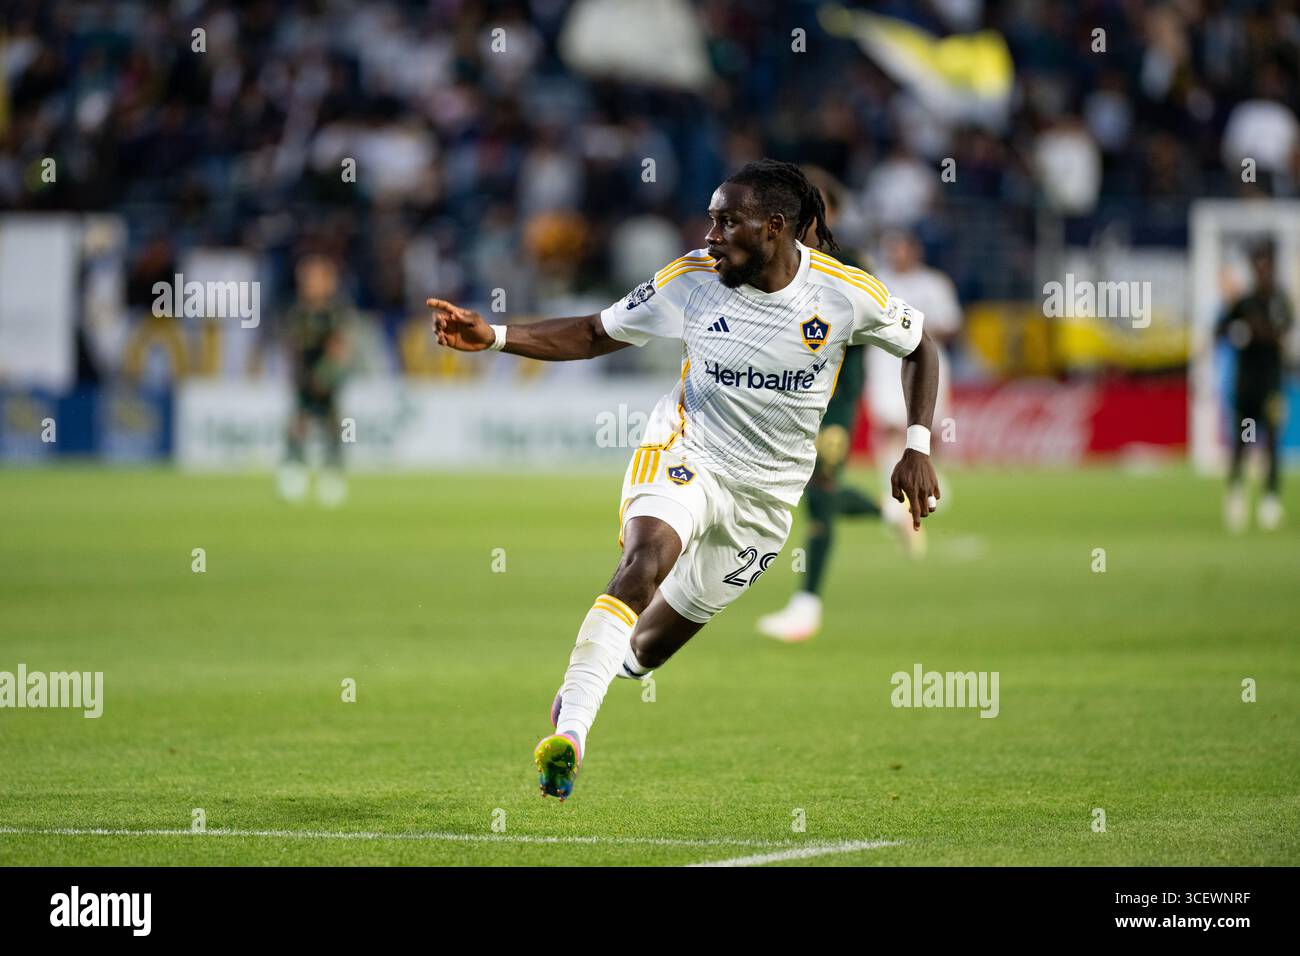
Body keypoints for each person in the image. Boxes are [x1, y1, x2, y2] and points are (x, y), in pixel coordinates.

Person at [429, 159, 941, 800]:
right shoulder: (690, 279)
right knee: (645, 561)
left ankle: (587, 683)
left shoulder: (844, 293)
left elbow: (921, 346)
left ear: (775, 228)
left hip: (767, 498)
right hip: (686, 448)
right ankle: (574, 736)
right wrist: (496, 336)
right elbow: (594, 332)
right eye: (710, 219)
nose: (710, 235)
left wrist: (917, 444)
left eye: (727, 222)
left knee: (646, 651)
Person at [756, 168, 883, 644]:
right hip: (779, 400)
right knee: (801, 487)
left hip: (834, 401)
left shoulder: (850, 266)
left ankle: (807, 604)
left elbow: (877, 331)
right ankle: (887, 511)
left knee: (821, 486)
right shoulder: (771, 263)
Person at [867, 230, 962, 557]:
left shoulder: (934, 284)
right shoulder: (877, 280)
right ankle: (894, 490)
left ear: (915, 249)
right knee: (891, 428)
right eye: (891, 249)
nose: (897, 254)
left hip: (926, 359)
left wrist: (915, 329)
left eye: (902, 248)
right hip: (884, 363)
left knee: (928, 428)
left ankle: (933, 485)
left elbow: (952, 326)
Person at [1217, 240, 1292, 532]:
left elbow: (1283, 331)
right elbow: (1221, 330)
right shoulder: (1244, 303)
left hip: (1271, 388)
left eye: (1265, 265)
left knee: (1272, 441)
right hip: (1247, 390)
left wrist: (1259, 333)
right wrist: (1241, 332)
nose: (1262, 271)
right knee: (1246, 441)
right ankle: (1236, 493)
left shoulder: (1278, 301)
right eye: (1257, 265)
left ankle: (1270, 500)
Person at [278, 254, 354, 508]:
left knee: (333, 425)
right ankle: (293, 471)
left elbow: (340, 347)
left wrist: (327, 372)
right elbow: (291, 345)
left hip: (326, 379)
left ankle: (332, 475)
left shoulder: (334, 311)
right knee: (298, 423)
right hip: (303, 377)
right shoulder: (297, 311)